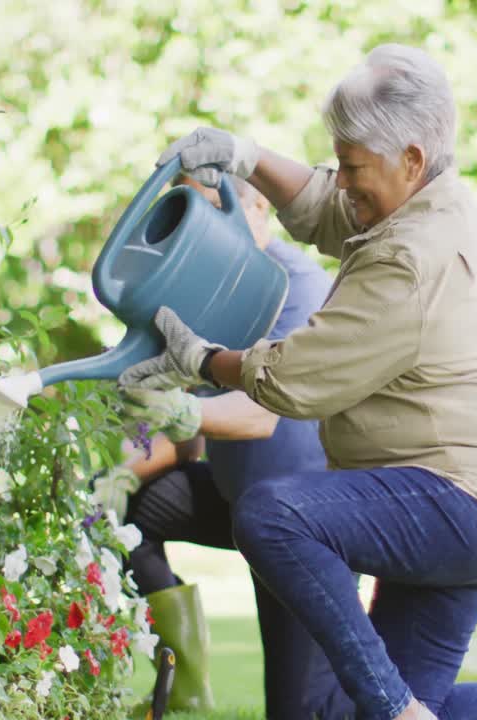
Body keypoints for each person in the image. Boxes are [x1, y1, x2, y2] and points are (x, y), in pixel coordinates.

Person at [119, 44, 477, 720]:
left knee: (270, 514)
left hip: (456, 501)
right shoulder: (417, 200)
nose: (343, 181)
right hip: (466, 504)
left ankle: (396, 711)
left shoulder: (414, 255)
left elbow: (295, 380)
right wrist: (245, 154)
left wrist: (200, 360)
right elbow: (327, 203)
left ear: (410, 157)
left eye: (353, 166)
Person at [93, 175, 352, 718]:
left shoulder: (294, 287)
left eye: (214, 210)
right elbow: (181, 437)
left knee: (301, 710)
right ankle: (185, 677)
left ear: (259, 206)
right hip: (245, 504)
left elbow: (259, 416)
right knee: (135, 515)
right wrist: (116, 476)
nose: (201, 231)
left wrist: (182, 409)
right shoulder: (211, 290)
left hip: (308, 524)